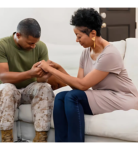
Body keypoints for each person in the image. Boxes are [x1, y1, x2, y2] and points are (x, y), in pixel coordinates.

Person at [38, 8, 138, 142]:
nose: (76, 40)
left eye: (79, 36)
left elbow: (83, 85)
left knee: (73, 97)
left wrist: (50, 70)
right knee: (61, 97)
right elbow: (78, 85)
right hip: (105, 95)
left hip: (123, 97)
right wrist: (60, 69)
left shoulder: (109, 54)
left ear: (92, 33)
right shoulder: (86, 53)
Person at [0, 18, 66, 142]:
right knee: (7, 88)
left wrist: (45, 77)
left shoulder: (40, 47)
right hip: (7, 89)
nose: (33, 46)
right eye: (30, 43)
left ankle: (41, 138)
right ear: (18, 35)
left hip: (29, 90)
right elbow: (4, 76)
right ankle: (7, 138)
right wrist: (30, 74)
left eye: (35, 43)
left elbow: (40, 79)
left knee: (45, 88)